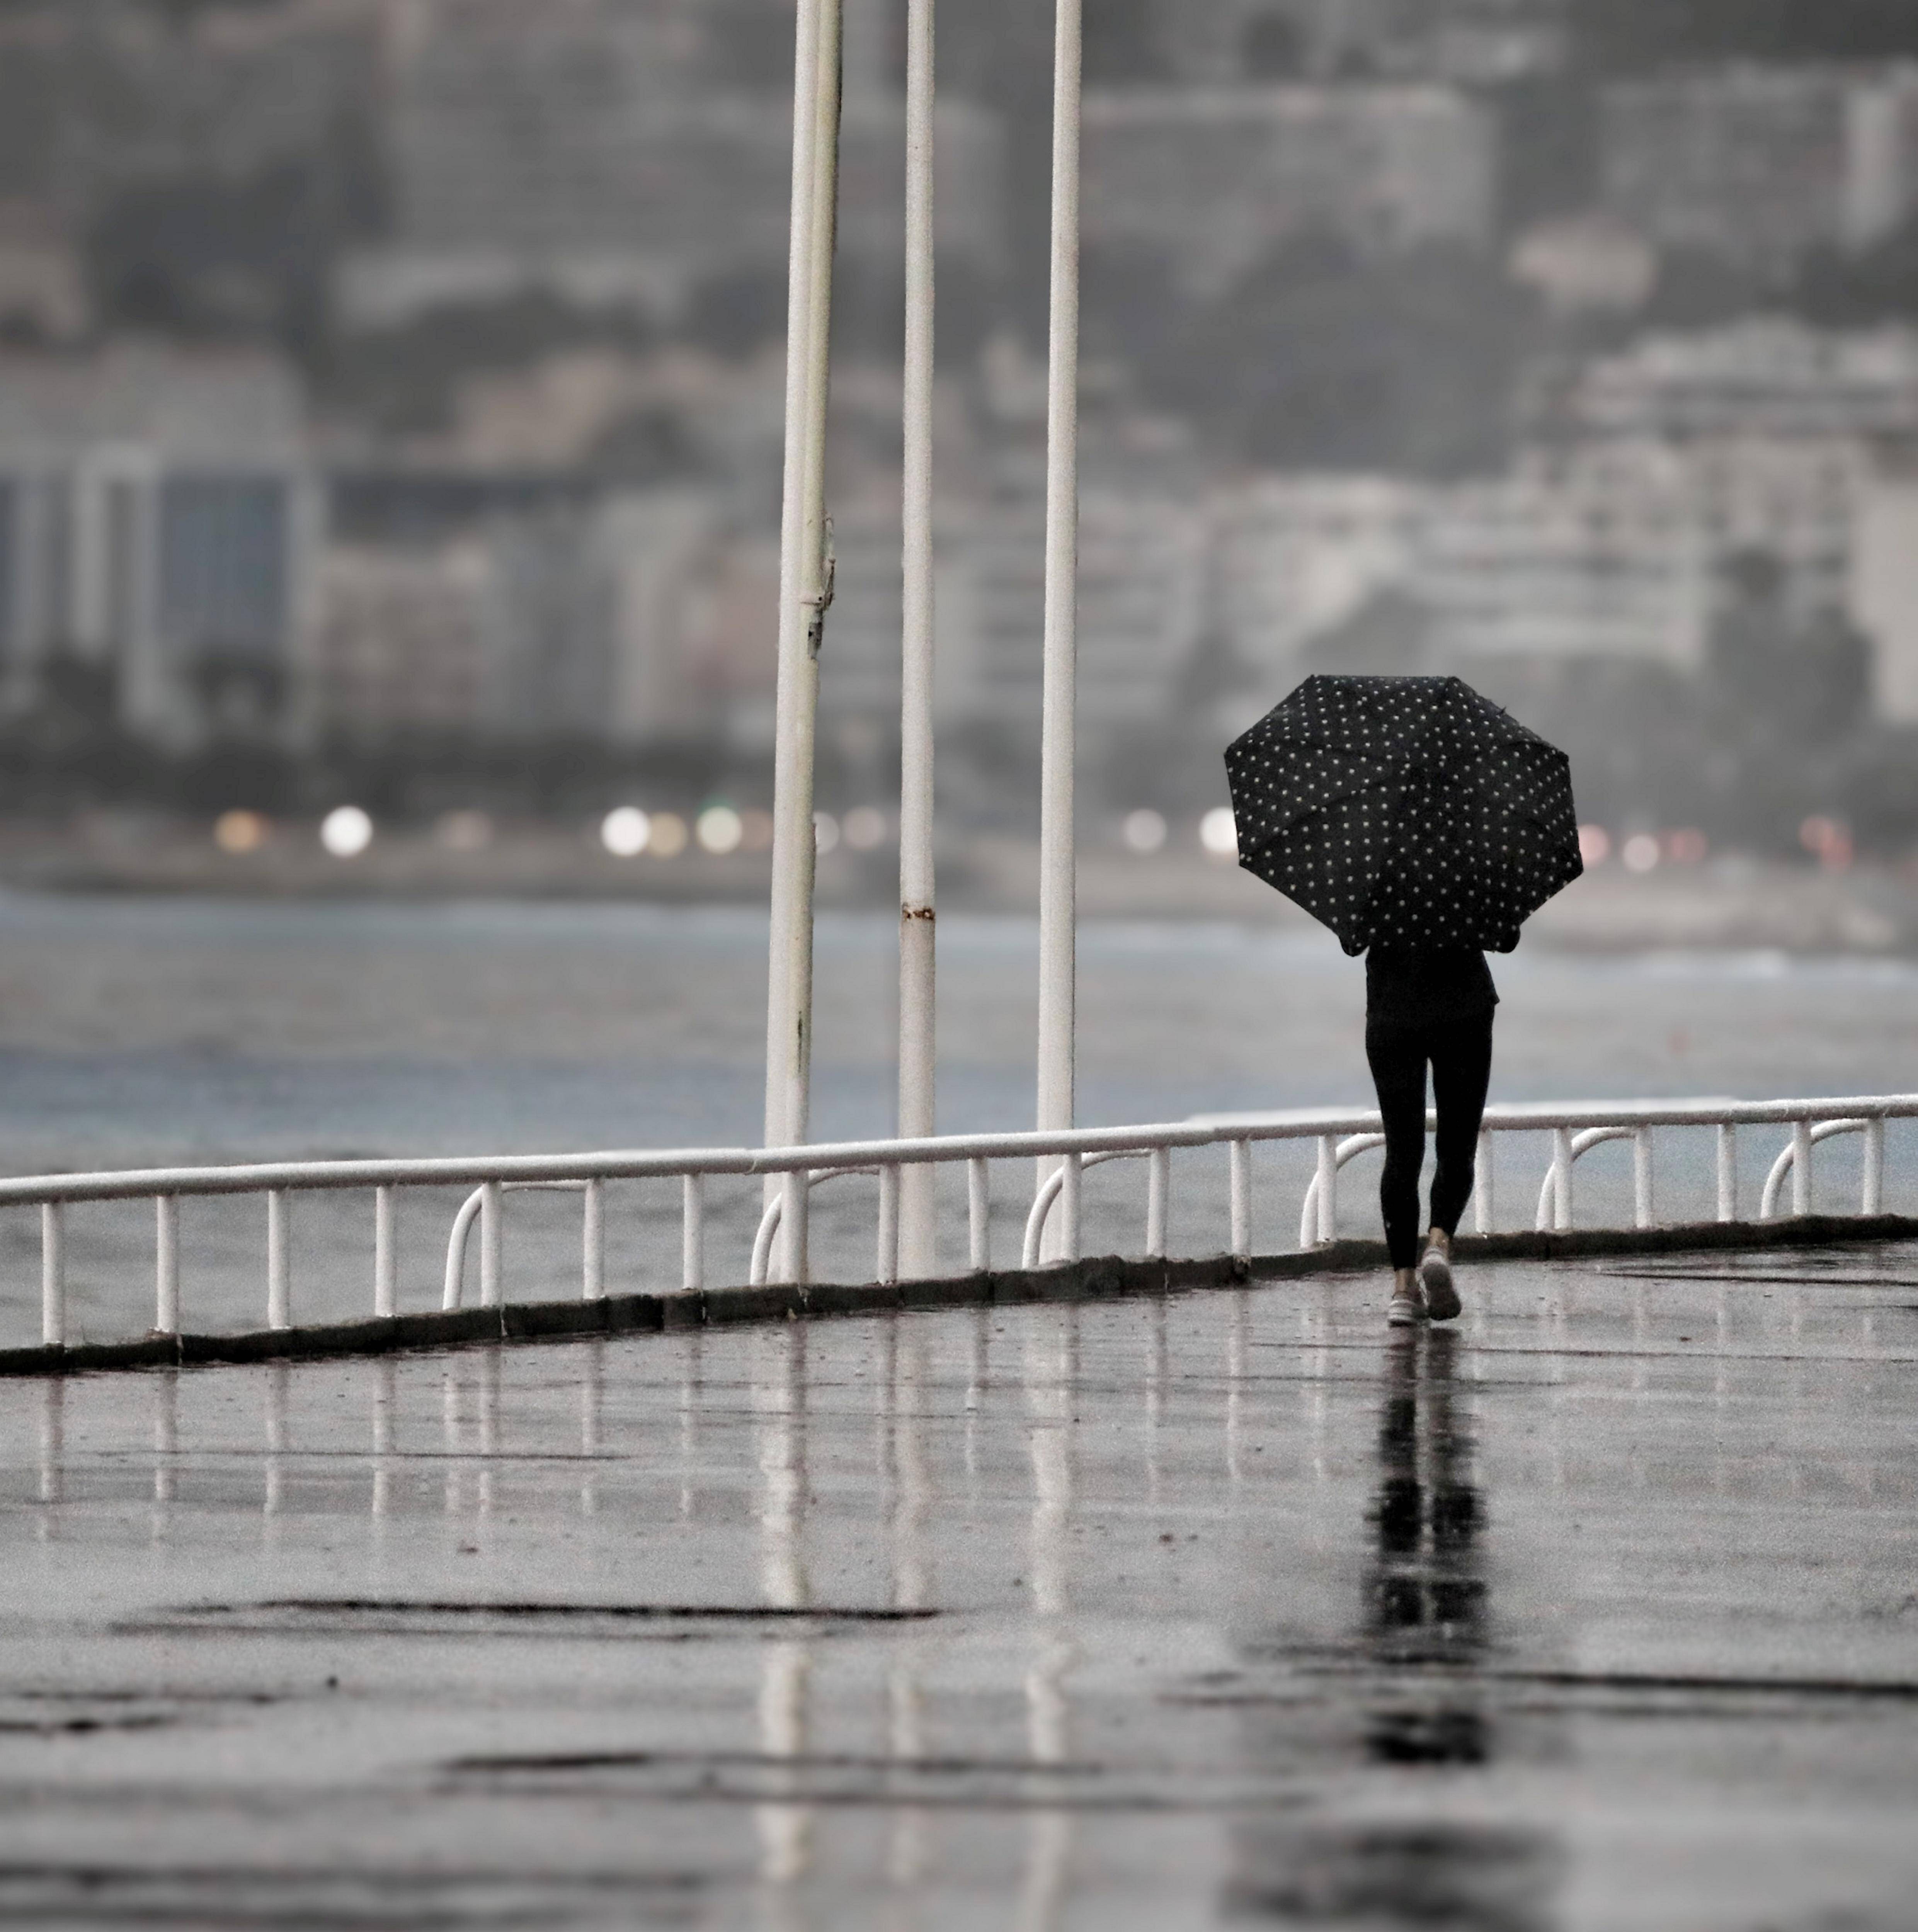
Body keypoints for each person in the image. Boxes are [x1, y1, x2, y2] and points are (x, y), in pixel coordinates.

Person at [1363, 946, 1496, 1327]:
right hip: (1464, 1008)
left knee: (1402, 1153)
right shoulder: (1466, 884)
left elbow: (1351, 943)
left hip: (1392, 1011)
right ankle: (1437, 1244)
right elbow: (1505, 937)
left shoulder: (1376, 887)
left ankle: (1404, 1289)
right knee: (1457, 1145)